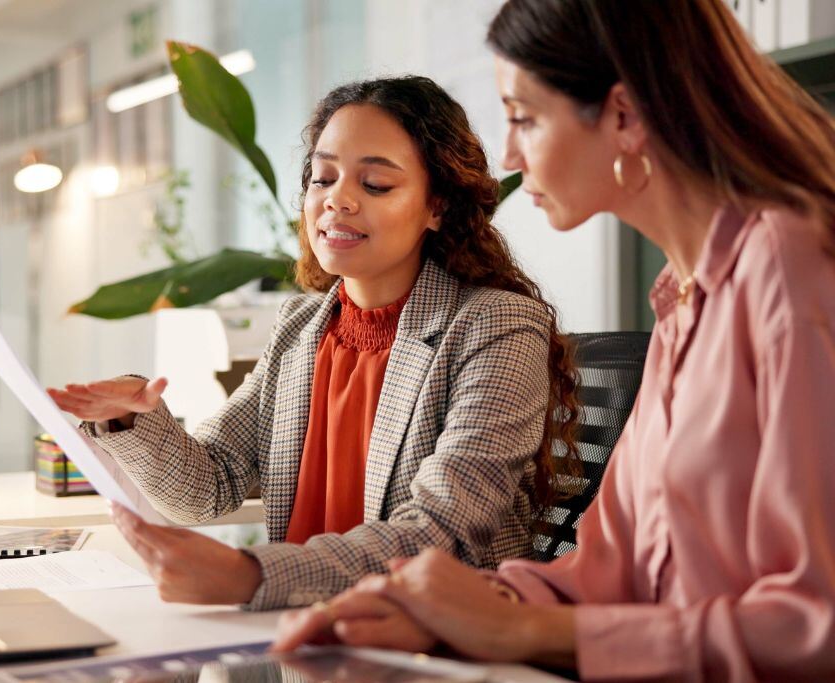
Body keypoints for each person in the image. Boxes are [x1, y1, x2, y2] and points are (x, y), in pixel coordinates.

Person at [273, 1, 835, 680]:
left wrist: (523, 627)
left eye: (523, 117)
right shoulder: (683, 300)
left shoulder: (788, 267)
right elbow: (607, 568)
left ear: (624, 117)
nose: (508, 154)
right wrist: (447, 610)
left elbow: (817, 621)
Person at [49, 76, 580, 611]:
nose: (337, 200)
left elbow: (440, 531)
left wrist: (248, 575)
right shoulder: (301, 326)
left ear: (437, 206)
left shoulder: (497, 325)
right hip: (305, 638)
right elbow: (209, 486)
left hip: (431, 644)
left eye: (375, 185)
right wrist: (133, 416)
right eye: (323, 178)